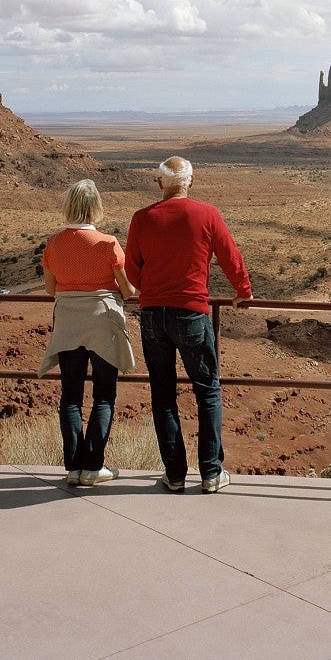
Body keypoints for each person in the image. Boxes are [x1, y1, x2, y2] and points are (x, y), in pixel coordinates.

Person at [126, 156, 250, 493]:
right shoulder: (207, 214)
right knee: (207, 390)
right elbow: (229, 254)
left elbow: (132, 270)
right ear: (191, 182)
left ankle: (175, 475)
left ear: (159, 183)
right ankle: (210, 473)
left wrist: (150, 288)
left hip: (153, 315)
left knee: (163, 394)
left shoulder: (141, 218)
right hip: (192, 313)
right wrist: (243, 290)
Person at [37, 179, 136, 487]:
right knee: (104, 394)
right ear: (96, 208)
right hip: (102, 322)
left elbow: (51, 289)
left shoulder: (54, 244)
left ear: (69, 206)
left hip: (68, 322)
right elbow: (128, 290)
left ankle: (73, 467)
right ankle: (93, 467)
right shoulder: (108, 243)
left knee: (70, 396)